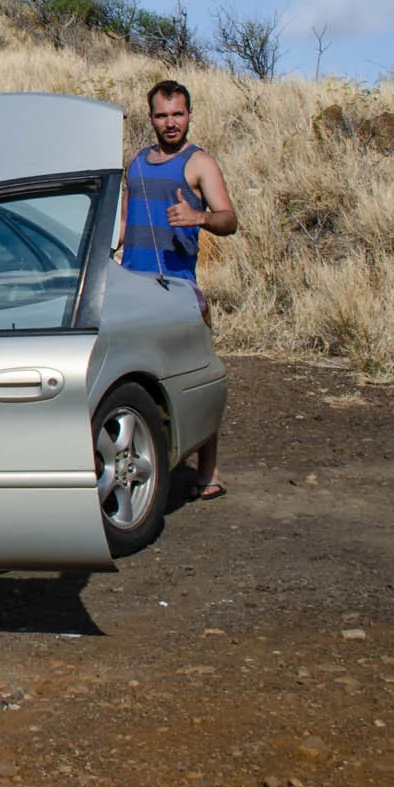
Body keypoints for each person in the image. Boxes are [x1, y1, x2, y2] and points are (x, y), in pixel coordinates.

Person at [121, 78, 238, 500]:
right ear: (150, 117)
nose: (170, 123)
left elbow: (229, 219)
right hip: (131, 286)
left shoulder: (199, 162)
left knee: (195, 376)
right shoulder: (134, 163)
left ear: (189, 115)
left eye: (178, 114)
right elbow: (123, 218)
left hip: (178, 287)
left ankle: (209, 471)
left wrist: (199, 217)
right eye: (162, 115)